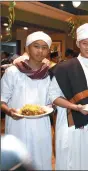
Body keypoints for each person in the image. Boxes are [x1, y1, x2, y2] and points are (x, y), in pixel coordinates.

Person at [49, 23, 88, 170]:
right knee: (71, 161)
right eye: (85, 43)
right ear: (78, 44)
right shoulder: (64, 68)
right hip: (71, 122)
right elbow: (53, 96)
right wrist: (74, 107)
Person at [1, 31, 53, 170]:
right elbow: (2, 100)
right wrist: (9, 111)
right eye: (36, 46)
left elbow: (51, 101)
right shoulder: (13, 72)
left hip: (41, 125)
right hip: (17, 124)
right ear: (27, 48)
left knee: (41, 160)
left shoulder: (49, 74)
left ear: (48, 51)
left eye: (44, 47)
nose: (40, 51)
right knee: (19, 160)